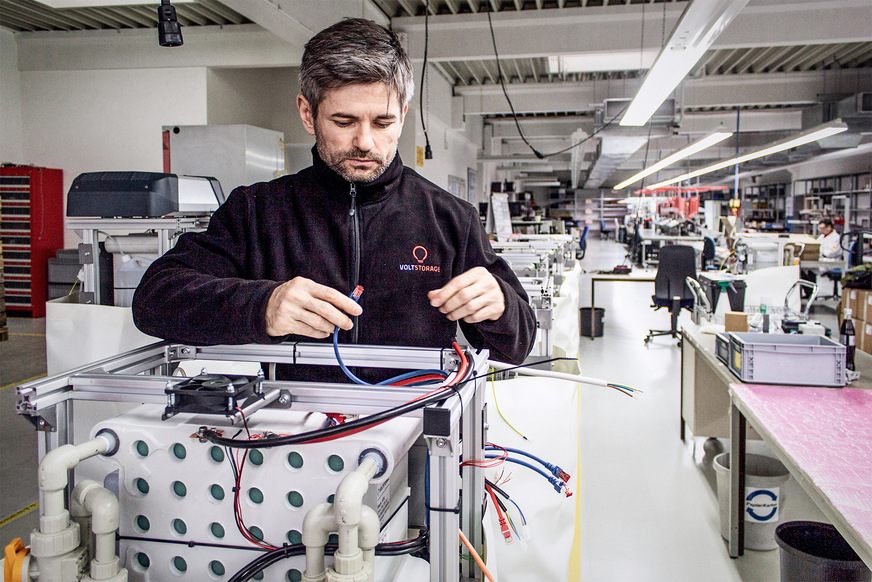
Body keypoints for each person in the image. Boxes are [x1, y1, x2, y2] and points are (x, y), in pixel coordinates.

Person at [132, 18, 537, 382]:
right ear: (308, 114)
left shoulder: (449, 218)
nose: (364, 141)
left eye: (383, 122)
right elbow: (155, 299)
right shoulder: (257, 211)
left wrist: (500, 305)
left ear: (403, 114)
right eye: (343, 122)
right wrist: (263, 305)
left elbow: (516, 346)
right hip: (296, 434)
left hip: (417, 432)